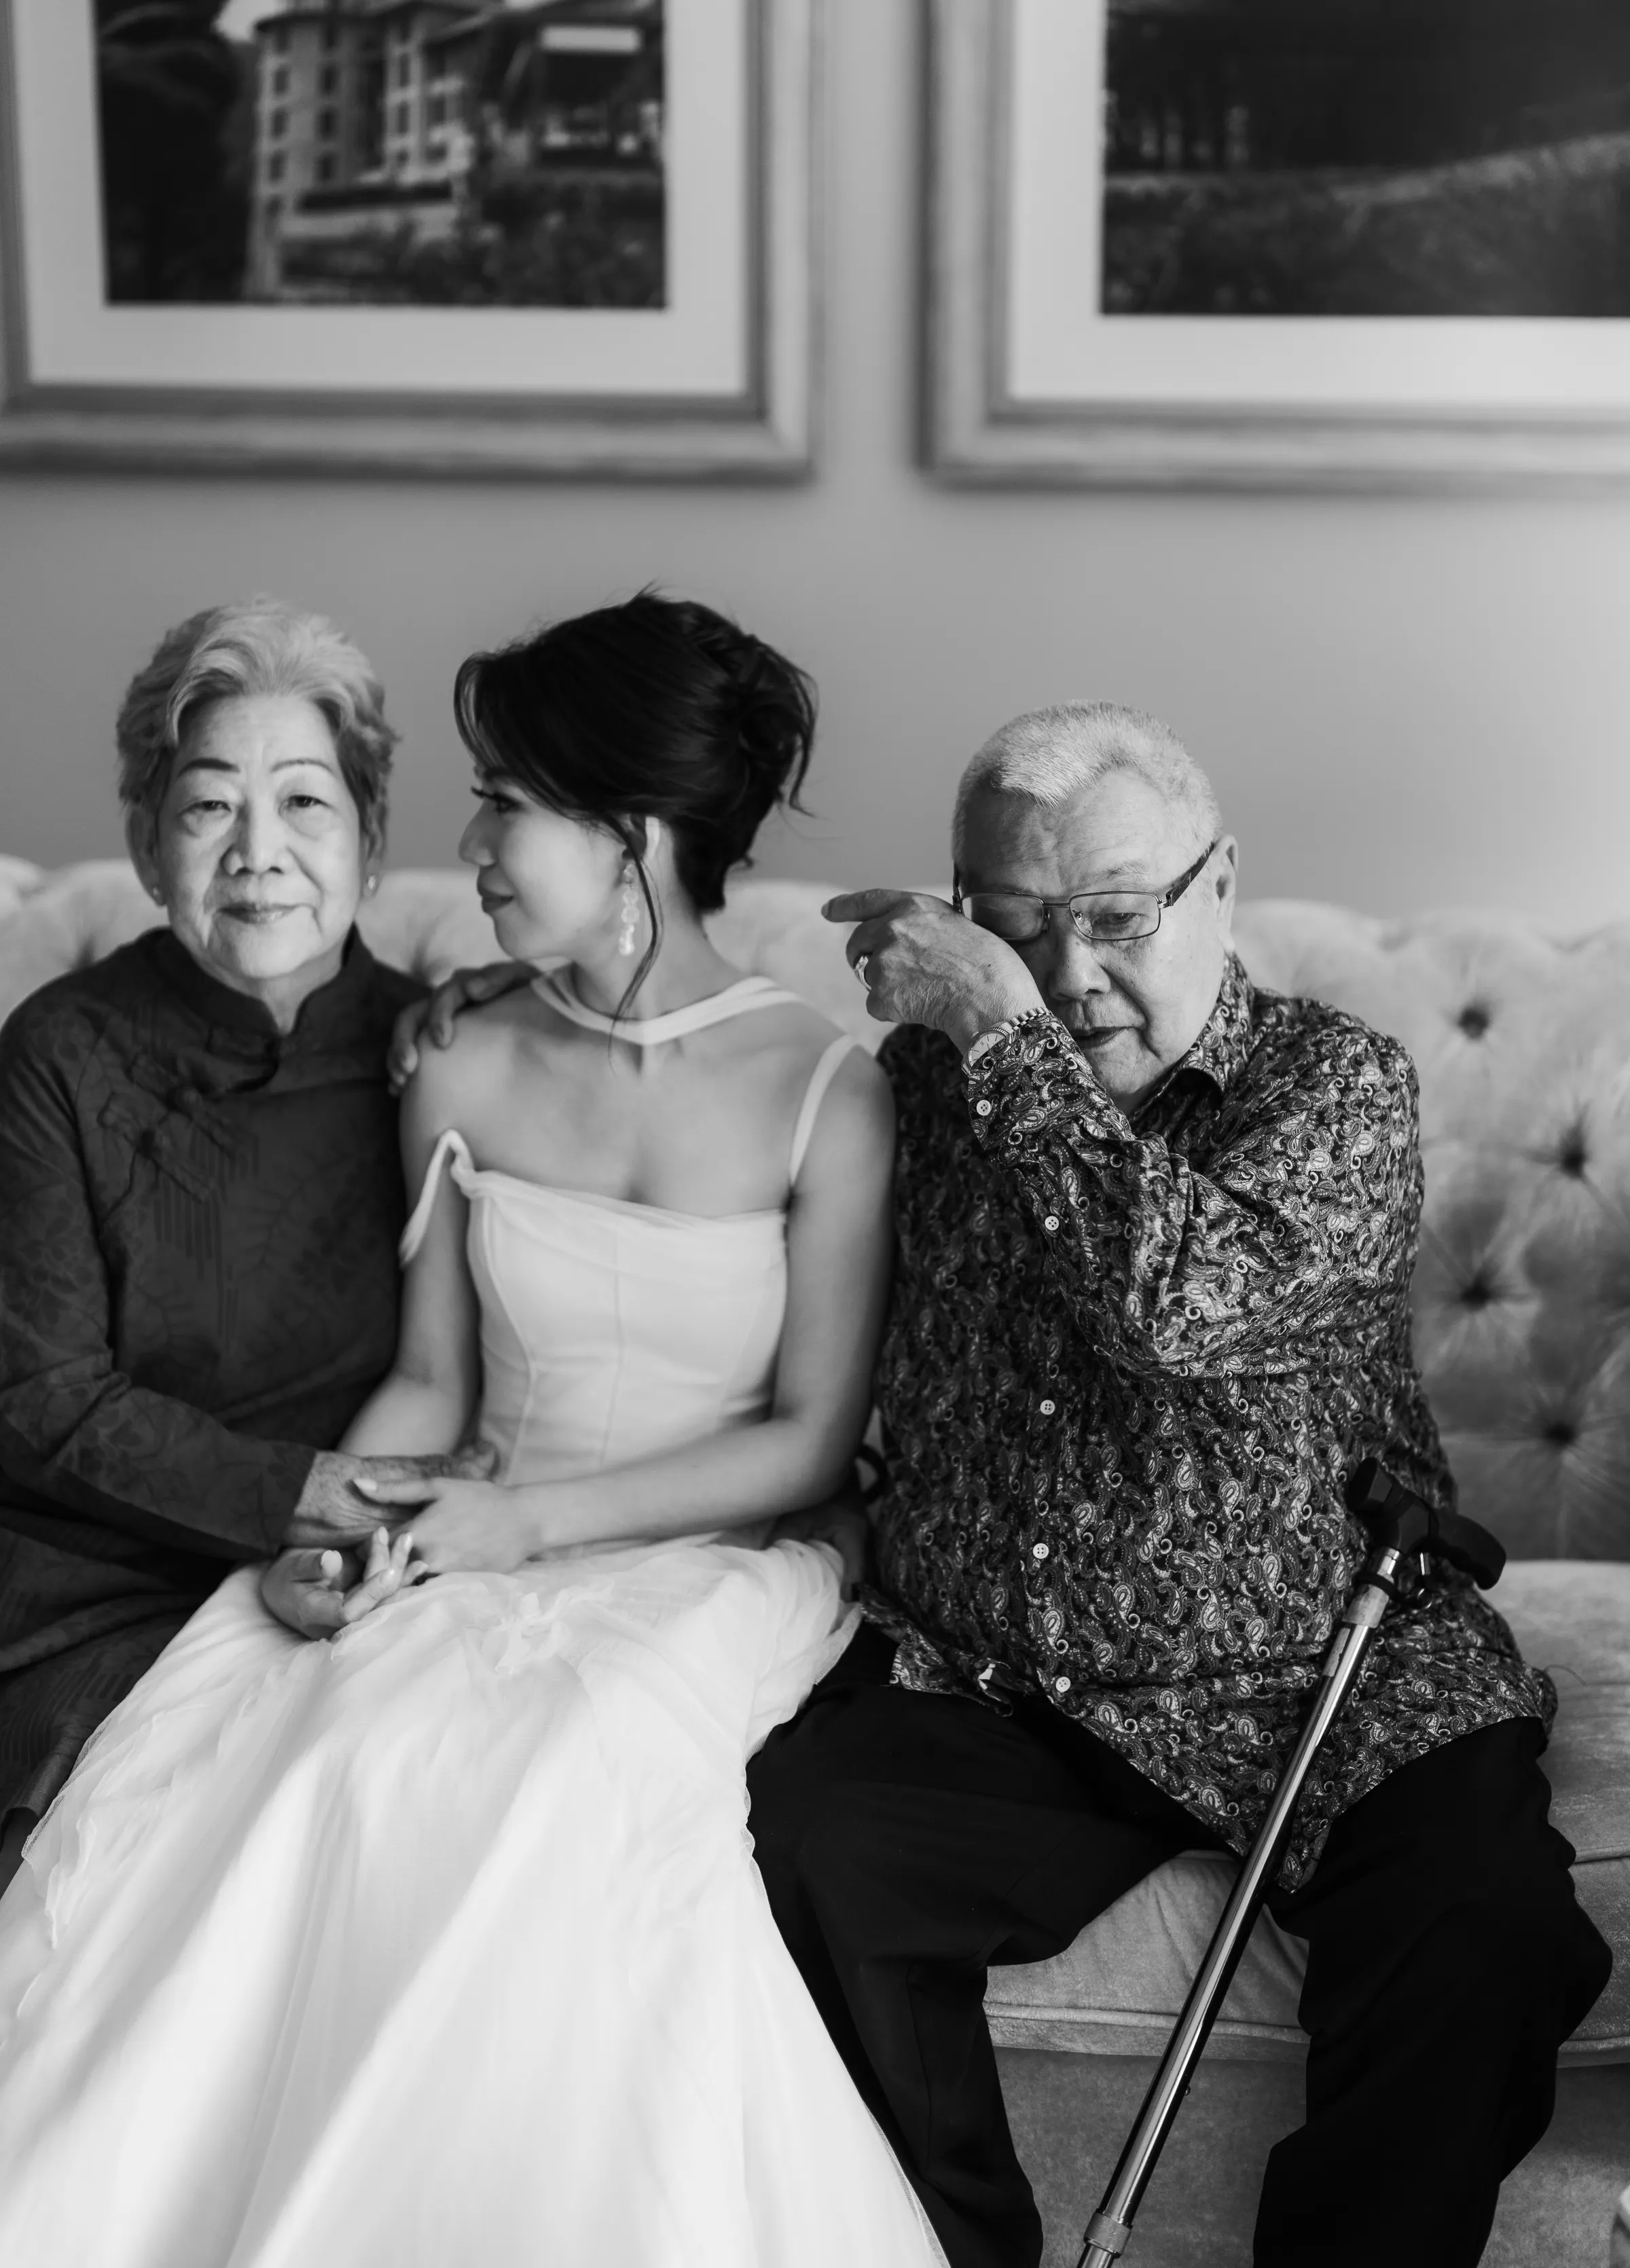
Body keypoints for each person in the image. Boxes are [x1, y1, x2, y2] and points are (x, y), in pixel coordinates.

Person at [0, 595, 947, 2268]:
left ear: (631, 833)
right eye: (211, 805)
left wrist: (508, 1526)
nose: (474, 841)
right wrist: (349, 1528)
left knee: (559, 1767)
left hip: (702, 1550)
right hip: (457, 1526)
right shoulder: (456, 1053)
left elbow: (814, 1439)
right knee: (335, 1760)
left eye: (505, 802)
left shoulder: (825, 1086)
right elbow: (433, 1386)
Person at [744, 702, 1612, 2268]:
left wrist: (1000, 1035)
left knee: (1488, 1926)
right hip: (1010, 1680)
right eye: (1015, 929)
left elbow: (1183, 1310)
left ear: (1221, 885)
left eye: (1117, 918)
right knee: (807, 1847)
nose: (1070, 975)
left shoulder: (1335, 1085)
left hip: (1314, 1662)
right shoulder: (927, 1084)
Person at [0, 598, 479, 1901]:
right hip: (98, 1582)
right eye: (209, 806)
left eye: (305, 803)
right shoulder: (58, 1052)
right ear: (147, 847)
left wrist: (346, 1543)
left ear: (372, 838)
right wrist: (307, 1501)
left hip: (367, 1579)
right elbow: (42, 1399)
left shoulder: (450, 1051)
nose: (259, 854)